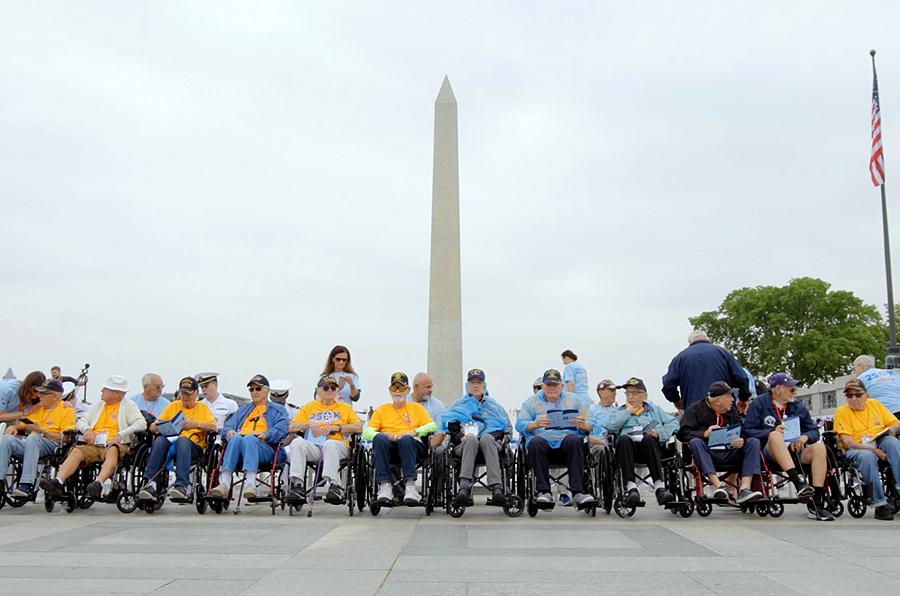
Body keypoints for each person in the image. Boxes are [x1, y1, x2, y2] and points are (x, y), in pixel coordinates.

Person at [742, 372, 833, 520]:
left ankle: (816, 502)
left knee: (819, 447)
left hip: (794, 450)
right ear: (778, 389)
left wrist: (805, 437)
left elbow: (813, 430)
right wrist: (771, 430)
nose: (795, 392)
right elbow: (747, 431)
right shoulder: (759, 404)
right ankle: (799, 484)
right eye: (791, 389)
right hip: (770, 451)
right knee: (775, 435)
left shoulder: (797, 406)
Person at [41, 376, 147, 500]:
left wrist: (121, 434)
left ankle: (98, 484)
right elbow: (81, 421)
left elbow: (141, 423)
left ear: (117, 393)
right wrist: (87, 430)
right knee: (77, 451)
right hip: (95, 444)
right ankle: (58, 481)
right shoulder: (98, 405)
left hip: (116, 444)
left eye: (106, 389)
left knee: (113, 450)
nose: (101, 390)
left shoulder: (129, 406)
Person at [515, 369, 599, 508]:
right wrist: (534, 424)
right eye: (549, 385)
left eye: (555, 385)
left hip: (567, 447)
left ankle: (578, 492)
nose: (552, 388)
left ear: (561, 386)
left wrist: (585, 425)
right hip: (542, 448)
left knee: (573, 439)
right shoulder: (531, 402)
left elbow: (593, 422)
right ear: (543, 386)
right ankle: (544, 492)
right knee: (535, 442)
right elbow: (519, 424)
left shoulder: (574, 400)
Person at [677, 381, 763, 504]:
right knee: (695, 442)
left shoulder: (732, 410)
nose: (733, 400)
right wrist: (704, 434)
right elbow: (683, 433)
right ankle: (718, 487)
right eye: (729, 397)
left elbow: (742, 430)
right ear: (718, 400)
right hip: (709, 454)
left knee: (753, 442)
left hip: (731, 452)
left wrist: (739, 440)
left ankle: (745, 489)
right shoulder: (695, 409)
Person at [208, 375, 288, 500]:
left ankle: (250, 483)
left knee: (249, 438)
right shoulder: (243, 410)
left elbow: (281, 428)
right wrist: (229, 431)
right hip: (240, 445)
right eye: (251, 390)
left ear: (267, 391)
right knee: (235, 439)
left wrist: (266, 434)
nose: (254, 392)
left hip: (264, 447)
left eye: (258, 389)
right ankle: (224, 483)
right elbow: (227, 426)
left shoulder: (278, 410)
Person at [285, 375, 362, 505]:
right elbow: (291, 426)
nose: (330, 390)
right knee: (297, 443)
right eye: (326, 388)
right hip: (314, 445)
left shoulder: (345, 408)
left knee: (329, 444)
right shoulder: (309, 407)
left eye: (333, 387)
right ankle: (297, 485)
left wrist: (336, 427)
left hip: (338, 446)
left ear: (337, 390)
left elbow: (358, 427)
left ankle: (334, 485)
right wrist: (308, 424)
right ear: (318, 390)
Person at [361, 372, 437, 505]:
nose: (397, 391)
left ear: (407, 390)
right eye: (394, 388)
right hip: (389, 447)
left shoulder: (416, 408)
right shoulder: (382, 410)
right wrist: (383, 434)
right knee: (379, 438)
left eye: (401, 388)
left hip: (412, 446)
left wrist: (415, 431)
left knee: (405, 439)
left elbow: (432, 426)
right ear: (390, 390)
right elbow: (367, 432)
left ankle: (410, 486)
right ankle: (385, 486)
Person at [602, 377, 680, 506]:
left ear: (643, 395)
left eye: (635, 393)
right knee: (623, 439)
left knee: (649, 439)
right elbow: (609, 426)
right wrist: (627, 412)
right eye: (628, 393)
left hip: (651, 449)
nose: (630, 397)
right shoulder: (620, 411)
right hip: (627, 451)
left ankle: (659, 486)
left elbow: (674, 422)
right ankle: (631, 487)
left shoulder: (655, 410)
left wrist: (660, 434)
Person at [137, 376, 217, 501]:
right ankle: (150, 484)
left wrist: (196, 424)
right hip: (171, 442)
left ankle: (182, 485)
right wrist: (159, 426)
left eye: (188, 394)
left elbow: (213, 427)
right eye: (183, 393)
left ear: (196, 393)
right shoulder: (173, 406)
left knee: (182, 441)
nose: (185, 397)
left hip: (193, 446)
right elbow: (154, 426)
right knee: (159, 440)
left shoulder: (203, 408)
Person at [442, 369, 511, 506]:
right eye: (472, 382)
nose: (475, 385)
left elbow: (504, 428)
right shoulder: (459, 405)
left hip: (490, 444)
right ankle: (464, 488)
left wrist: (490, 435)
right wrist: (461, 436)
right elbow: (452, 427)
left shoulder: (494, 406)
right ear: (468, 385)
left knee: (486, 438)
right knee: (471, 439)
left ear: (484, 385)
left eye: (478, 382)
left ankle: (497, 488)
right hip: (465, 444)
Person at [833, 378, 900, 521]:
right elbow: (847, 441)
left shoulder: (875, 405)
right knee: (867, 456)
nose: (854, 398)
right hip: (856, 448)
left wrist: (893, 429)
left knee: (892, 442)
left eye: (858, 394)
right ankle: (879, 504)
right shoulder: (842, 412)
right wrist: (873, 451)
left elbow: (895, 423)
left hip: (879, 440)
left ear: (866, 395)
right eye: (849, 395)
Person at [0, 379, 75, 498]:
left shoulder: (67, 410)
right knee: (6, 439)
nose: (39, 395)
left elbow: (65, 438)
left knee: (34, 438)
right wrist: (14, 428)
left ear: (55, 396)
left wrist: (42, 431)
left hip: (52, 444)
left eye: (43, 393)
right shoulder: (38, 408)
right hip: (32, 444)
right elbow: (23, 424)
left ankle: (27, 484)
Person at [662, 330, 751, 413]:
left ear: (690, 343)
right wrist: (743, 398)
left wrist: (676, 400)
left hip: (695, 411)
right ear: (707, 339)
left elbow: (668, 384)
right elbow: (742, 378)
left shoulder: (680, 358)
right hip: (723, 407)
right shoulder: (723, 353)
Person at [407, 372, 446, 448]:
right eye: (427, 387)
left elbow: (441, 433)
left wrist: (428, 448)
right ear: (416, 387)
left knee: (439, 450)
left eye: (431, 387)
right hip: (406, 441)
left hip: (428, 444)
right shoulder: (403, 403)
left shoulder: (438, 405)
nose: (431, 390)